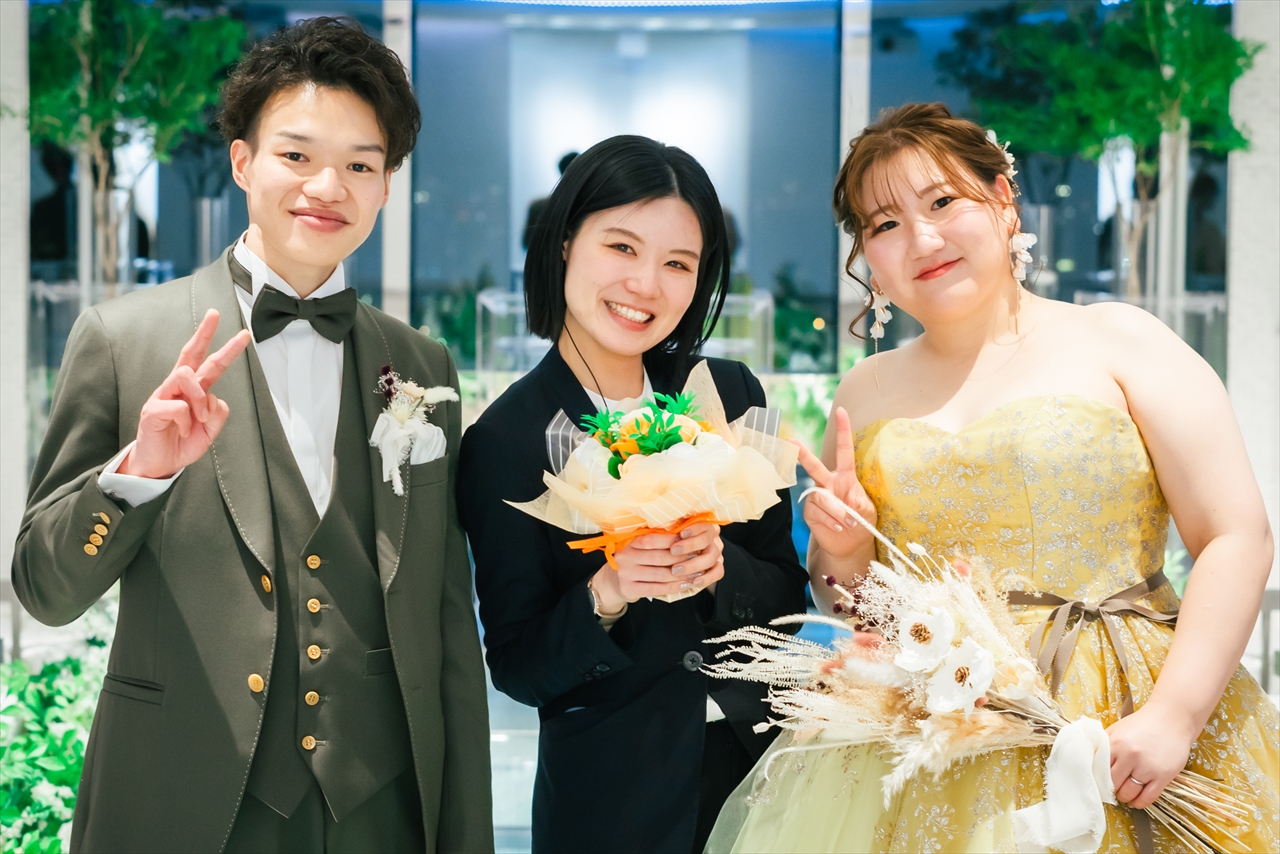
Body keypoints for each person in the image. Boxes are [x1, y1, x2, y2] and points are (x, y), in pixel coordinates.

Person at [708, 103, 1279, 853]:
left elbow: (1236, 535)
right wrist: (843, 551)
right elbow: (858, 608)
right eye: (885, 224)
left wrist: (1174, 716)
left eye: (943, 202)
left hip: (1126, 710)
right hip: (935, 733)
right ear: (868, 257)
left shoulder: (1121, 340)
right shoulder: (864, 392)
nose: (922, 238)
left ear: (1004, 201)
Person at [13, 17, 493, 853]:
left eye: (361, 165)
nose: (327, 186)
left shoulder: (421, 365)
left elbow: (449, 622)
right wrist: (138, 473)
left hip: (381, 811)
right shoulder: (124, 341)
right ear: (242, 162)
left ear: (387, 186)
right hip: (185, 802)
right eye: (297, 155)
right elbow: (45, 591)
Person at [458, 135, 808, 854]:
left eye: (678, 263)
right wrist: (607, 595)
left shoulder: (736, 391)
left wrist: (723, 572)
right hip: (614, 806)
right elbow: (518, 667)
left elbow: (788, 600)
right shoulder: (504, 437)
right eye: (622, 247)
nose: (646, 284)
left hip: (763, 786)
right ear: (564, 242)